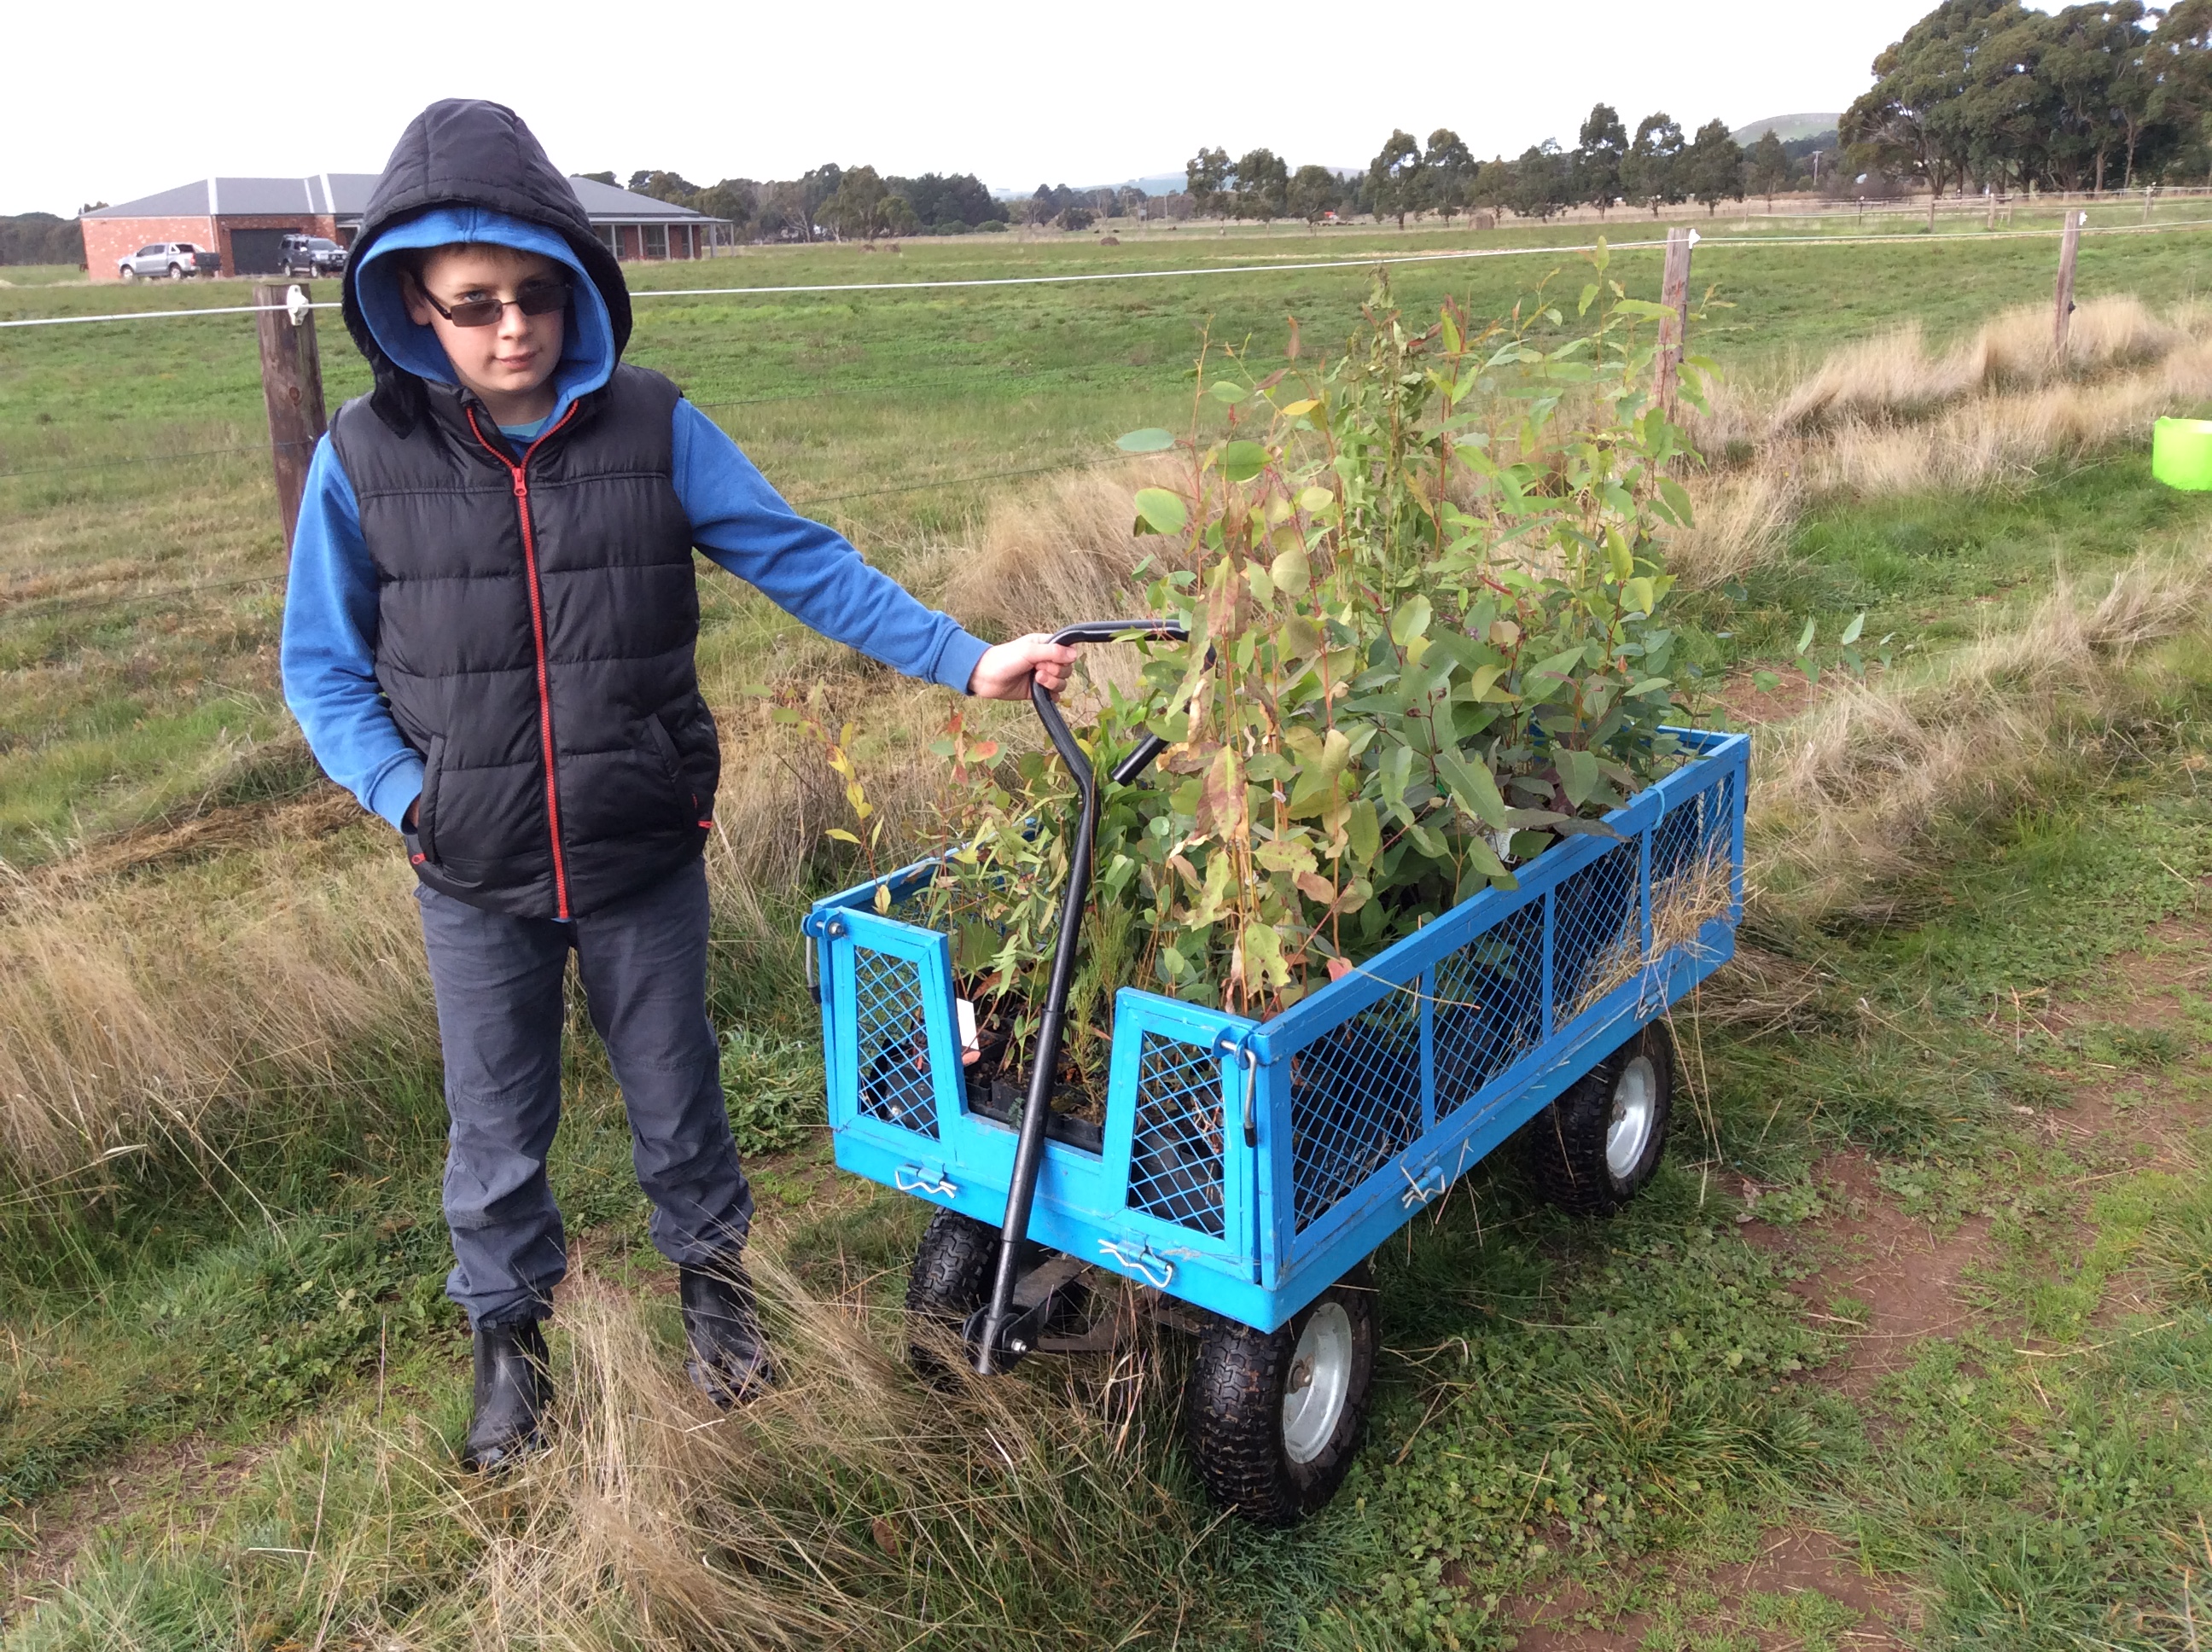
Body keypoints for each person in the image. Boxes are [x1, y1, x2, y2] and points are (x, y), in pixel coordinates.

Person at [280, 99, 1076, 1470]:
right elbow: (321, 671)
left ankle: (718, 1300)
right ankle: (509, 1351)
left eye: (536, 293)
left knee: (679, 1096)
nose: (512, 328)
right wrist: (414, 801)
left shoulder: (652, 426)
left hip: (642, 848)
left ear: (577, 284)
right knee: (497, 1128)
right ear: (412, 300)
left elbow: (801, 557)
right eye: (475, 304)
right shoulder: (364, 461)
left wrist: (964, 659)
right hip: (471, 870)